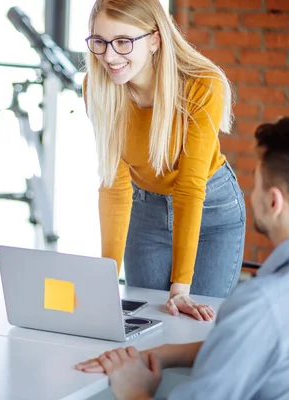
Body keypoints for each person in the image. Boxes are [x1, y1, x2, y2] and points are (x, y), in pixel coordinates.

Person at [76, 116, 289, 399]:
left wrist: (136, 392)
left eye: (255, 181)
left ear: (274, 202)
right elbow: (255, 342)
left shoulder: (262, 304)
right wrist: (164, 354)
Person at [84, 0, 246, 320]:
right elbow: (115, 188)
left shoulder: (202, 84)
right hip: (146, 210)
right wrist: (105, 279)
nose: (109, 56)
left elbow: (189, 187)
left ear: (155, 40)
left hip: (210, 212)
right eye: (100, 42)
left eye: (123, 42)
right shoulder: (97, 87)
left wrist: (180, 288)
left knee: (194, 327)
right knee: (144, 321)